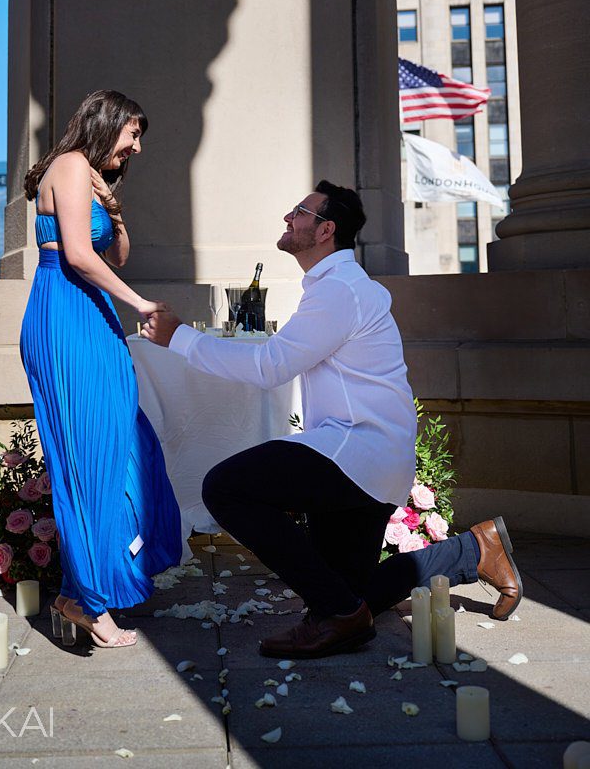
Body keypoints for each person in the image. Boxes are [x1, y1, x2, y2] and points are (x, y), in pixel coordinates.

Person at [142, 181, 522, 659]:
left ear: (326, 230)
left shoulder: (340, 289)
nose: (287, 217)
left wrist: (179, 338)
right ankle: (474, 550)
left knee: (225, 487)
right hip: (370, 456)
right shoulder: (337, 286)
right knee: (352, 591)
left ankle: (340, 618)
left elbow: (268, 367)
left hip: (356, 451)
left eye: (299, 212)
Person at [20, 89, 181, 649]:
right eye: (132, 132)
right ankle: (85, 599)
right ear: (106, 123)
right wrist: (140, 304)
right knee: (87, 457)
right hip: (64, 317)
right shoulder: (66, 165)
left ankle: (94, 585)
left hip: (94, 318)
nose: (136, 145)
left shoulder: (90, 177)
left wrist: (111, 205)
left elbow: (116, 254)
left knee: (126, 446)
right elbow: (78, 255)